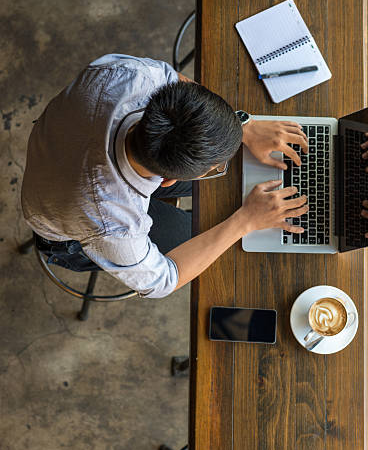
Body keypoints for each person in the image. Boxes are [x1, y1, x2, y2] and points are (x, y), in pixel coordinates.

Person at [21, 54, 309, 298]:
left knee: (230, 180)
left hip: (65, 152)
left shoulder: (130, 77)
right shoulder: (116, 230)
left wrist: (242, 125)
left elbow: (178, 85)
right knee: (201, 228)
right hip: (67, 230)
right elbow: (163, 280)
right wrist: (244, 221)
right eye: (212, 167)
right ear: (168, 179)